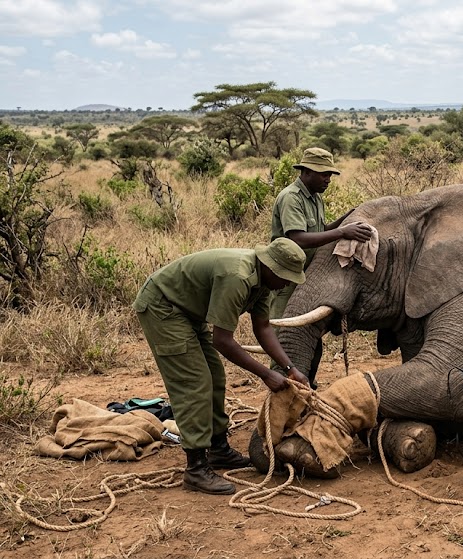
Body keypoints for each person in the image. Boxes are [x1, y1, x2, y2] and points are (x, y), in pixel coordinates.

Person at [133, 237, 311, 495]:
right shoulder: (237, 277)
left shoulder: (263, 283)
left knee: (215, 377)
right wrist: (265, 374)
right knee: (195, 382)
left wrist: (289, 368)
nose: (287, 283)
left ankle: (218, 449)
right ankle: (195, 468)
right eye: (286, 277)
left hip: (190, 312)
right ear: (271, 268)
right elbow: (223, 341)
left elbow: (262, 328)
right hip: (164, 307)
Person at [270, 147, 372, 388]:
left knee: (310, 338)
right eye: (323, 174)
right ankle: (282, 394)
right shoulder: (291, 197)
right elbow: (298, 238)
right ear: (306, 172)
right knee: (286, 340)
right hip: (285, 277)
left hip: (306, 277)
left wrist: (347, 219)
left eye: (330, 175)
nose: (328, 179)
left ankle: (307, 389)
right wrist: (342, 232)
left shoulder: (315, 197)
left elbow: (320, 231)